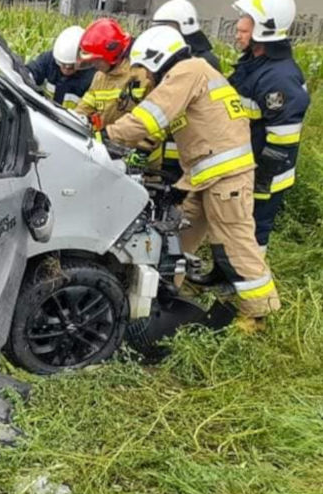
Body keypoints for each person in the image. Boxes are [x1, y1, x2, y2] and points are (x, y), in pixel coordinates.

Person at [102, 26, 280, 328]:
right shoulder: (194, 73)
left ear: (157, 58)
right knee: (179, 236)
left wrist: (104, 137)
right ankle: (168, 289)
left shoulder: (188, 70)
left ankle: (260, 313)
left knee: (236, 243)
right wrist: (133, 147)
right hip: (205, 177)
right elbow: (159, 127)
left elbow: (149, 118)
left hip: (226, 178)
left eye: (144, 69)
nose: (145, 77)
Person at [229, 0, 309, 252]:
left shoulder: (279, 77)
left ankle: (249, 283)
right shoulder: (253, 64)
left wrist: (260, 180)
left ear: (262, 32)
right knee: (233, 225)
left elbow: (283, 140)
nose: (237, 34)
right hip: (246, 164)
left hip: (266, 171)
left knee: (254, 231)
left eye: (243, 31)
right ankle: (224, 273)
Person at [151, 0, 222, 183]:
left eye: (166, 27)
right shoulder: (173, 55)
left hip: (191, 147)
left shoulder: (204, 62)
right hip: (169, 144)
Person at [74, 18, 153, 129]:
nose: (94, 65)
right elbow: (83, 109)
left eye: (97, 60)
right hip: (105, 143)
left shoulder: (143, 75)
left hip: (133, 144)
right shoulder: (99, 77)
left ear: (111, 54)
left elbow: (150, 121)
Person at [26, 26, 95, 110]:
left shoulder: (92, 77)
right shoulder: (49, 60)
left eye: (71, 67)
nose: (66, 69)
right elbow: (29, 73)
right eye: (62, 64)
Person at [152, 0, 220, 71]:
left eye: (167, 27)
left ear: (186, 26)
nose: (162, 32)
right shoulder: (161, 57)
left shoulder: (207, 61)